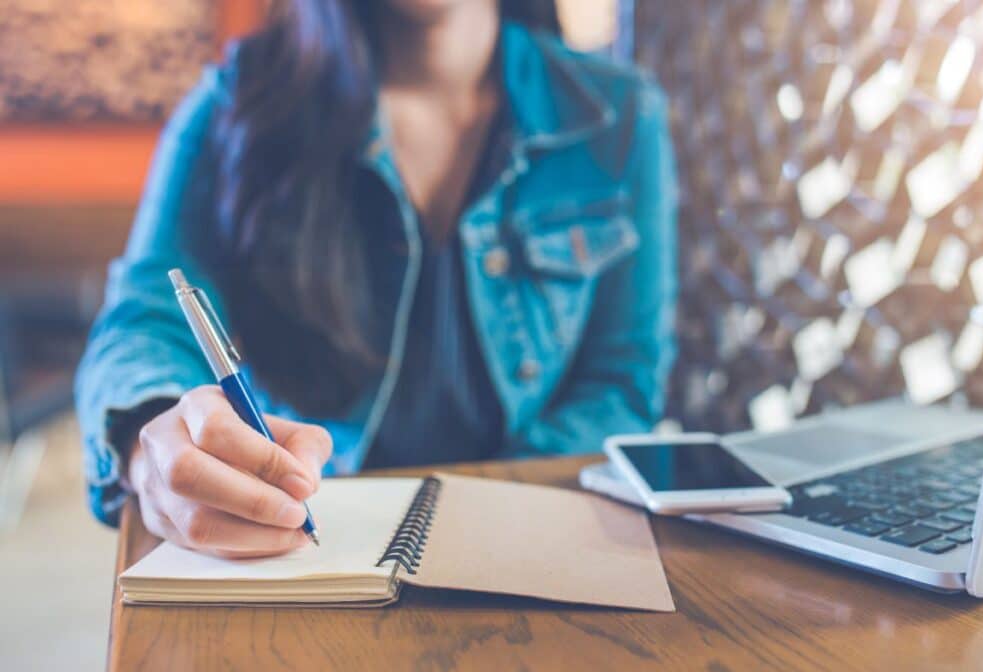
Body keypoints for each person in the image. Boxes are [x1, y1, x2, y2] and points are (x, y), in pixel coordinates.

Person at [75, 0, 678, 558]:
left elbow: (622, 382)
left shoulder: (617, 114)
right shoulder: (236, 103)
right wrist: (146, 435)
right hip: (304, 539)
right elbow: (141, 323)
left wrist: (489, 517)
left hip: (531, 544)